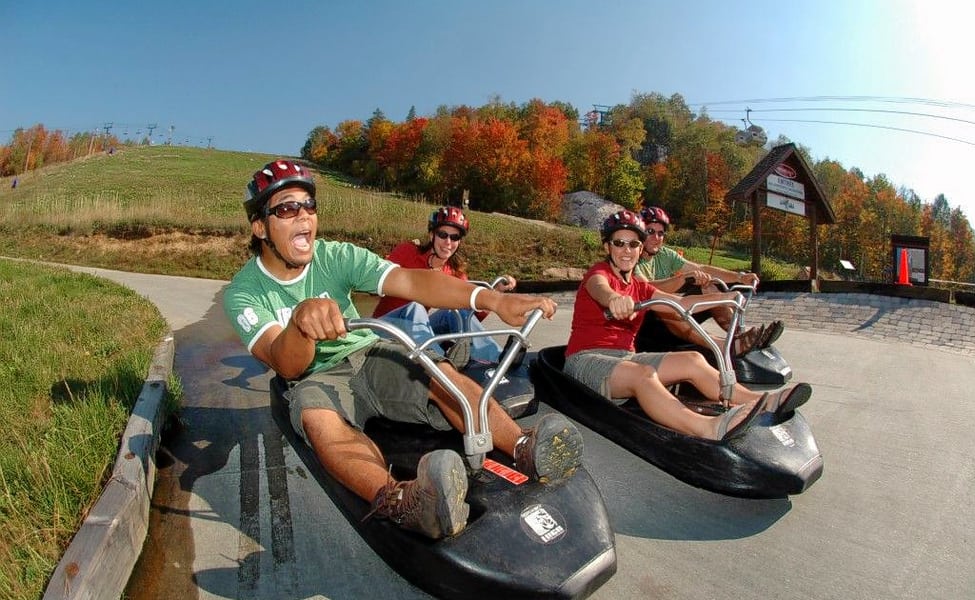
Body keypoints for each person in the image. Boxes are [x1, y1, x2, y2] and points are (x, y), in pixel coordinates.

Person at [223, 160, 584, 540]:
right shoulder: (244, 293)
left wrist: (491, 300)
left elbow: (411, 280)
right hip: (316, 374)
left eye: (308, 205)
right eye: (286, 208)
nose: (303, 216)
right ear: (261, 226)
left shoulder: (335, 256)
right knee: (318, 419)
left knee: (440, 373)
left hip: (368, 353)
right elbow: (286, 365)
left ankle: (525, 446)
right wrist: (300, 324)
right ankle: (403, 502)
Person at [563, 209, 811, 440]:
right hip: (587, 360)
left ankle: (763, 401)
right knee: (644, 375)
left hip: (625, 358)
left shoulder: (641, 287)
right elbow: (599, 289)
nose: (626, 250)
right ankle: (709, 428)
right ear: (608, 246)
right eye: (619, 243)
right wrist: (614, 299)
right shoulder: (599, 274)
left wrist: (726, 297)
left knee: (692, 359)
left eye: (634, 244)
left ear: (640, 249)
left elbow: (683, 303)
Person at [372, 206, 517, 368]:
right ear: (432, 235)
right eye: (443, 235)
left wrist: (494, 293)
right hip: (384, 329)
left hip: (416, 331)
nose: (448, 242)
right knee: (415, 307)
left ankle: (498, 361)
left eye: (455, 237)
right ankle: (441, 367)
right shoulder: (407, 251)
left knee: (456, 311)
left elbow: (469, 318)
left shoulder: (454, 273)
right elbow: (376, 280)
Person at [632, 205, 785, 355]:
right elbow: (647, 290)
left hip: (670, 321)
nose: (656, 238)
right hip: (646, 328)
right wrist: (683, 279)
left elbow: (702, 269)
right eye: (650, 232)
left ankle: (740, 336)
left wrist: (740, 277)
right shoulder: (632, 259)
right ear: (639, 233)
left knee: (708, 286)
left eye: (661, 233)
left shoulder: (665, 254)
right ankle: (726, 346)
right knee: (668, 307)